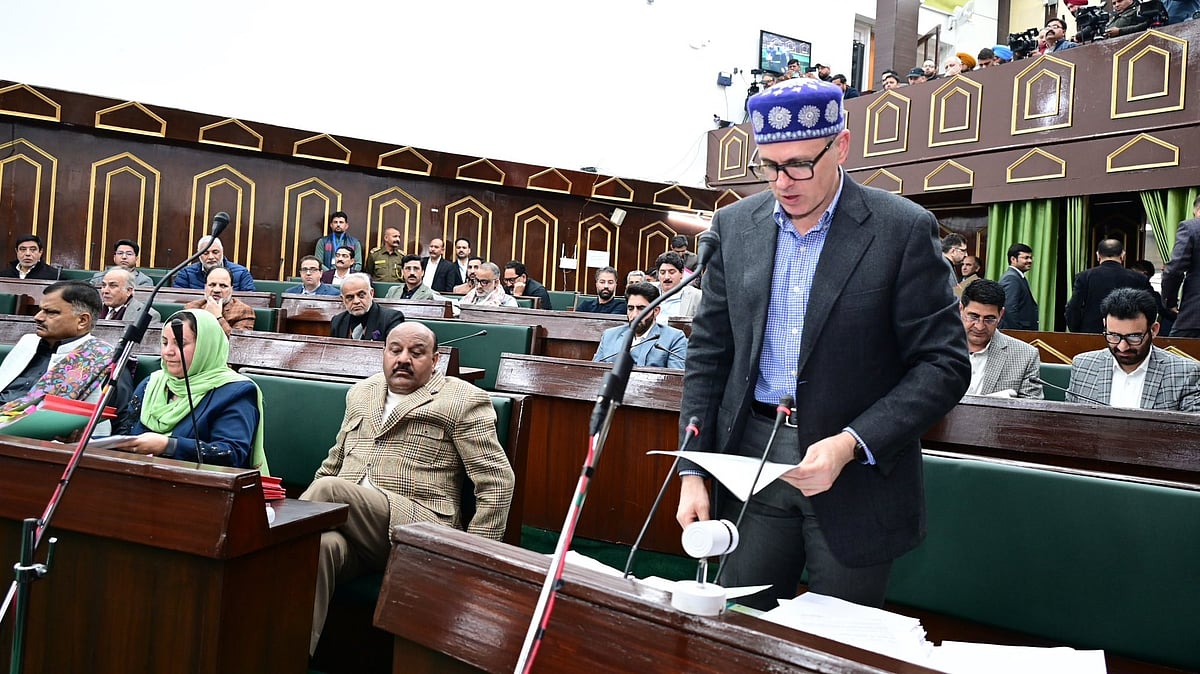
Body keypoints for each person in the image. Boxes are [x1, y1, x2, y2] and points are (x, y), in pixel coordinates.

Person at [675, 78, 970, 611]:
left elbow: (944, 365)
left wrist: (851, 441)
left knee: (836, 644)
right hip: (752, 460)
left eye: (800, 164)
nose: (783, 182)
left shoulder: (901, 228)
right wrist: (694, 470)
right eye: (769, 166)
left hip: (856, 472)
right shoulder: (733, 226)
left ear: (841, 146)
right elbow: (708, 356)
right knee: (741, 625)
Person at [300, 322, 515, 654]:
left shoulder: (463, 400)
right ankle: (289, 654)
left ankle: (271, 548)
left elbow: (497, 482)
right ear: (383, 353)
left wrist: (473, 560)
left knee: (329, 490)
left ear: (435, 360)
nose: (403, 359)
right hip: (358, 531)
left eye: (416, 353)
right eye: (395, 350)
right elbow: (334, 460)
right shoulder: (362, 392)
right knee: (319, 548)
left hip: (417, 528)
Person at [109, 309, 268, 469]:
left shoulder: (235, 392)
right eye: (164, 343)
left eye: (180, 344)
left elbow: (231, 454)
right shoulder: (152, 383)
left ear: (205, 347)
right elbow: (125, 435)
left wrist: (169, 446)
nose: (167, 352)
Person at [1068, 288, 1200, 411]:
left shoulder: (1185, 373)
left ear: (1154, 330)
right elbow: (1070, 426)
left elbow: (1191, 432)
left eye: (1134, 337)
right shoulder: (1083, 366)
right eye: (1114, 336)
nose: (1122, 347)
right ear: (1105, 326)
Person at [0, 281, 115, 418]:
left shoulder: (101, 357)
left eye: (51, 312)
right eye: (40, 309)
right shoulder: (28, 342)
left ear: (82, 320)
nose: (38, 317)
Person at [960, 279, 1043, 399]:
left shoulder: (1025, 356)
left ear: (1001, 315)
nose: (980, 326)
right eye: (974, 317)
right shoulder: (937, 346)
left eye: (989, 319)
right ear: (961, 309)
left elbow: (1031, 411)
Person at [1065, 239, 1153, 333]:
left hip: (1091, 333)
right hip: (1127, 334)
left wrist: (1078, 331)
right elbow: (1150, 306)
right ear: (1123, 255)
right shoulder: (1139, 278)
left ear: (1098, 255)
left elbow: (1073, 307)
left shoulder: (1084, 277)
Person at [593, 282, 687, 369]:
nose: (634, 315)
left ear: (656, 311)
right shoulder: (609, 336)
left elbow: (674, 381)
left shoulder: (674, 338)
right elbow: (593, 373)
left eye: (641, 308)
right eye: (630, 308)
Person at [1160, 195, 1200, 337]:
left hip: (1194, 316)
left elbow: (1175, 270)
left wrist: (1170, 302)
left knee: (1178, 354)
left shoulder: (1191, 227)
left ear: (1197, 210)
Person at [184, 267, 256, 337]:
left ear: (231, 289)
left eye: (223, 286)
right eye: (212, 285)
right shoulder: (191, 308)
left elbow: (237, 342)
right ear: (205, 287)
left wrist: (218, 317)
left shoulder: (244, 311)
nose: (216, 290)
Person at [330, 273, 404, 341]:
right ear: (343, 299)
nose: (356, 301)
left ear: (371, 294)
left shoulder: (390, 319)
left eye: (361, 295)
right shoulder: (337, 321)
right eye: (350, 297)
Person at [173, 237, 255, 291]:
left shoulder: (241, 273)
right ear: (199, 255)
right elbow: (176, 299)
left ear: (222, 252)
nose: (211, 257)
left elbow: (250, 300)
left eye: (215, 252)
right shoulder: (186, 274)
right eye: (206, 253)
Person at [998, 243, 1038, 330]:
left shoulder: (1017, 277)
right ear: (1013, 259)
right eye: (1026, 258)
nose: (1030, 261)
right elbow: (1009, 309)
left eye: (1031, 257)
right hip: (1017, 334)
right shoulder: (1011, 278)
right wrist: (1017, 333)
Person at [654, 252, 701, 324]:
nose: (667, 277)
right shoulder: (649, 292)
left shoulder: (696, 296)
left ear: (682, 273)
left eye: (671, 272)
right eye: (662, 272)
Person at [89, 239, 154, 287]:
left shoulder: (143, 281)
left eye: (129, 254)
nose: (124, 257)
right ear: (114, 257)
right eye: (120, 253)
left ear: (136, 259)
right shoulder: (98, 278)